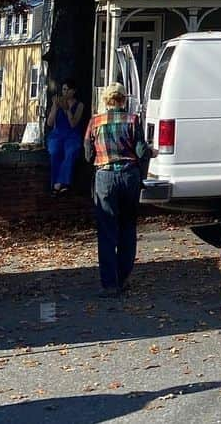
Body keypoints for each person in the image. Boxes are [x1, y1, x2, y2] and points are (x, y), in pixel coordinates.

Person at [84, 81, 149, 297]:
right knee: (128, 228)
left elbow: (87, 154)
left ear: (106, 100)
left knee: (106, 230)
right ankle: (123, 278)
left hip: (105, 177)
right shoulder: (133, 120)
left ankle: (109, 284)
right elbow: (140, 151)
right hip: (129, 176)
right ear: (123, 99)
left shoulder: (95, 122)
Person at [46, 79, 85, 194]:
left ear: (73, 91)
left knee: (70, 152)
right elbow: (50, 122)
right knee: (54, 152)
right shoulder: (57, 103)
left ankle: (62, 183)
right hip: (58, 134)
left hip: (72, 135)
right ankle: (56, 182)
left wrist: (67, 110)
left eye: (68, 90)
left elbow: (73, 123)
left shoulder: (79, 105)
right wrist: (55, 107)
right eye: (63, 89)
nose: (65, 92)